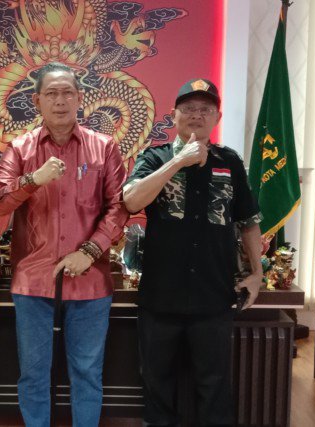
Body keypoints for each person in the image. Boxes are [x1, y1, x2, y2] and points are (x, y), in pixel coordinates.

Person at [0, 62, 129, 427]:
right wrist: (33, 179)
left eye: (67, 93)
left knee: (87, 373)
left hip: (90, 282)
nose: (60, 101)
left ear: (80, 98)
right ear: (37, 101)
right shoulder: (20, 148)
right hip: (33, 282)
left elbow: (119, 207)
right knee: (33, 374)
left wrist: (90, 251)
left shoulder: (104, 147)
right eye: (51, 94)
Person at [123, 78, 263, 426]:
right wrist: (178, 162)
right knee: (156, 385)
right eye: (188, 109)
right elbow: (131, 201)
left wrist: (257, 273)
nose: (196, 115)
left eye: (205, 109)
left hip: (213, 296)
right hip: (160, 297)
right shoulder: (154, 157)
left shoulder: (229, 161)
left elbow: (248, 221)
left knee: (214, 387)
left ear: (217, 117)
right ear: (173, 115)